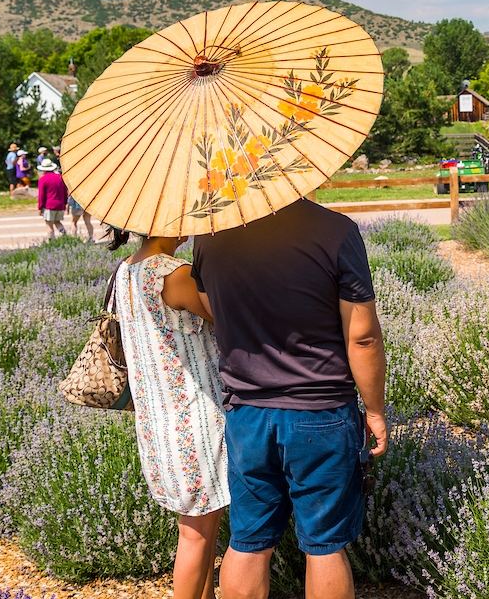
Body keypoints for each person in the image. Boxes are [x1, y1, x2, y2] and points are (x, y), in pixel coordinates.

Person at [190, 199, 387, 599]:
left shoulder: (210, 236)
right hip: (321, 411)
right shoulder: (336, 231)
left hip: (247, 414)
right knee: (325, 543)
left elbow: (213, 308)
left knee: (248, 539)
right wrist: (376, 410)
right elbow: (362, 337)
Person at [108, 226, 228, 599]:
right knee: (196, 534)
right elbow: (221, 318)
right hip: (194, 417)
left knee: (202, 528)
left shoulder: (125, 269)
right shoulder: (172, 274)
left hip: (158, 419)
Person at [35, 158, 68, 238]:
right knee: (57, 222)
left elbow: (41, 195)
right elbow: (65, 192)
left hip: (49, 205)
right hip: (60, 204)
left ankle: (52, 241)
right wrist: (65, 203)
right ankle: (65, 236)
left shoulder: (43, 179)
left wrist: (40, 207)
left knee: (49, 225)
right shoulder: (60, 177)